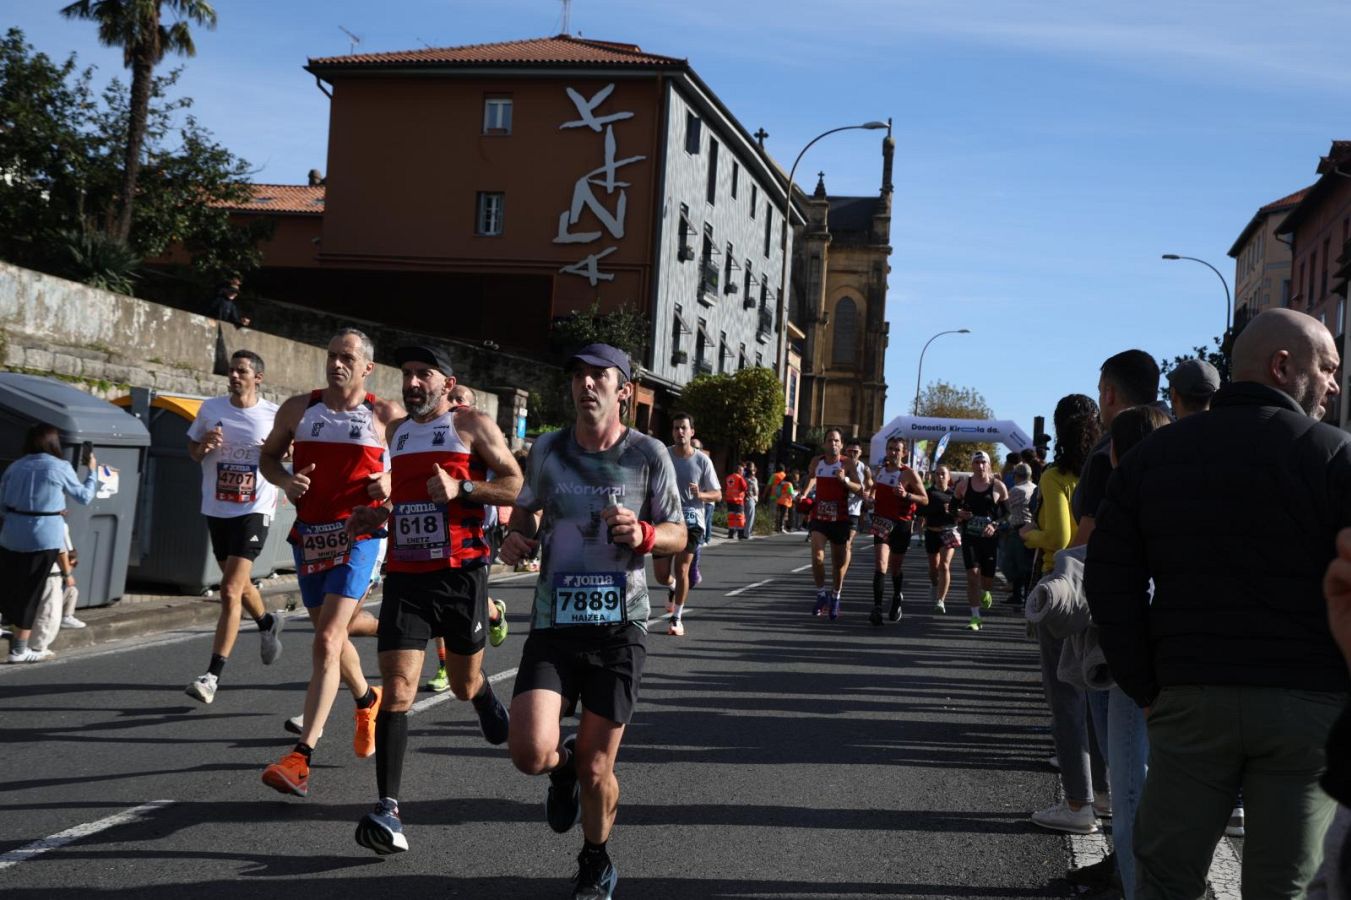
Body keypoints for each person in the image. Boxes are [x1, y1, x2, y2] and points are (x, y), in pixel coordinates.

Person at [1086, 309, 1350, 899]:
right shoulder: (1337, 457)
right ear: (1284, 366)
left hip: (1188, 697)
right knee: (1285, 885)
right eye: (1328, 367)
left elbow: (1109, 579)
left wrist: (1146, 685)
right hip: (1306, 708)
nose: (1335, 382)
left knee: (1164, 880)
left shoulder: (1155, 457)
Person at [499, 343, 685, 900]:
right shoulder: (549, 450)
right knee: (530, 753)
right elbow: (529, 507)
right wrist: (516, 534)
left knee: (598, 767)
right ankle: (562, 769)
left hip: (619, 628)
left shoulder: (649, 455)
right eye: (577, 375)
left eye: (599, 376)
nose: (586, 385)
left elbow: (678, 533)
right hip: (555, 622)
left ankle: (595, 858)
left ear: (623, 388)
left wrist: (647, 535)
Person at [348, 345, 521, 854]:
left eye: (424, 374)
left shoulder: (473, 425)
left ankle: (484, 695)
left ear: (448, 382)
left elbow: (515, 485)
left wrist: (464, 486)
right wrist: (379, 515)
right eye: (407, 375)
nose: (413, 382)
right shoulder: (399, 433)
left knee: (464, 684)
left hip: (461, 575)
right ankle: (389, 809)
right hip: (406, 574)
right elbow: (404, 495)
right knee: (398, 689)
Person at [258, 328, 403, 798]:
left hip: (360, 536)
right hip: (311, 536)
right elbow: (268, 457)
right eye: (331, 356)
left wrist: (389, 481)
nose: (336, 364)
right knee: (332, 636)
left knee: (325, 637)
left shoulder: (385, 415)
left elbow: (417, 467)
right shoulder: (300, 409)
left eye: (346, 357)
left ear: (367, 368)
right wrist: (285, 480)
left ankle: (301, 758)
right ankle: (366, 696)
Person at [1020, 394, 1104, 835]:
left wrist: (1029, 535)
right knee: (1097, 692)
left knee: (1064, 696)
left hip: (1065, 585)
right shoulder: (1110, 462)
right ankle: (1104, 792)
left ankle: (1078, 803)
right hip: (1108, 584)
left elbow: (1060, 534)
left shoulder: (1055, 476)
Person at [183, 350, 284, 703]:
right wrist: (203, 447)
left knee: (228, 590)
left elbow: (292, 453)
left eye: (242, 371)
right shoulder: (211, 409)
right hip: (217, 506)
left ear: (258, 377)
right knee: (238, 587)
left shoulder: (273, 415)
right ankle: (267, 622)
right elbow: (193, 449)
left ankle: (212, 675)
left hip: (255, 509)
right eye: (232, 370)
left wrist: (276, 455)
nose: (234, 376)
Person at [424, 383, 510, 694]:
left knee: (469, 598)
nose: (456, 403)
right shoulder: (432, 431)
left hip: (478, 529)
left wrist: (465, 487)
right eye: (453, 398)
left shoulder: (479, 431)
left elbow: (511, 480)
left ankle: (494, 613)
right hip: (436, 531)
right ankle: (445, 665)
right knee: (438, 599)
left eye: (463, 399)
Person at [0, 424, 98, 662]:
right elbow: (83, 496)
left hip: (12, 531)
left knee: (8, 584)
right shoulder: (60, 466)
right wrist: (92, 471)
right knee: (31, 591)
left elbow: (2, 503)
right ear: (53, 443)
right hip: (44, 536)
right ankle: (20, 649)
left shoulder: (16, 466)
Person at [653, 413, 720, 636]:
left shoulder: (702, 460)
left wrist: (700, 495)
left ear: (692, 432)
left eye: (683, 428)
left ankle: (676, 618)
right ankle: (672, 587)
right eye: (675, 428)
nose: (679, 432)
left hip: (692, 521)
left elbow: (718, 494)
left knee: (682, 568)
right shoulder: (664, 456)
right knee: (661, 575)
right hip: (666, 519)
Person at [802, 429, 867, 620]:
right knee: (818, 557)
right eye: (830, 440)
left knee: (838, 564)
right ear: (824, 443)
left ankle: (836, 596)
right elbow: (813, 477)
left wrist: (844, 480)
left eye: (837, 440)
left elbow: (859, 489)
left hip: (840, 519)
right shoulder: (816, 461)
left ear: (841, 444)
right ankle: (821, 594)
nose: (833, 444)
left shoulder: (847, 463)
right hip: (819, 517)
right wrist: (804, 493)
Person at [867, 437, 927, 626]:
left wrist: (906, 495)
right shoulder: (880, 471)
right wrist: (870, 498)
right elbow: (873, 491)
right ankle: (877, 608)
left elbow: (925, 499)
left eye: (897, 449)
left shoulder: (909, 474)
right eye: (890, 449)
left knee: (895, 567)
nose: (893, 452)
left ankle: (896, 598)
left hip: (901, 525)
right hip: (881, 522)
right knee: (880, 564)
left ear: (904, 453)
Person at [953, 450, 1009, 631]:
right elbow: (952, 508)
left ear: (989, 464)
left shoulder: (998, 486)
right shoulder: (963, 485)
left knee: (987, 578)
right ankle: (975, 617)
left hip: (989, 538)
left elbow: (1007, 514)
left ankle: (986, 591)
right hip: (970, 537)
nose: (980, 466)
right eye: (977, 463)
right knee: (972, 576)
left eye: (983, 462)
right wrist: (959, 513)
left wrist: (995, 525)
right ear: (972, 465)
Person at [26, 519, 77, 655]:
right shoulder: (55, 523)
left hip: (26, 569)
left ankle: (23, 643)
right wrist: (67, 574)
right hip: (50, 571)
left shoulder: (21, 517)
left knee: (29, 608)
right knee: (49, 611)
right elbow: (63, 552)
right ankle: (37, 647)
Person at [918, 465, 959, 613]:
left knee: (945, 565)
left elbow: (961, 515)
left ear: (949, 477)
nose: (940, 476)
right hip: (932, 532)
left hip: (948, 532)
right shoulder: (928, 493)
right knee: (933, 569)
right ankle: (935, 585)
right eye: (938, 474)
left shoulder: (955, 495)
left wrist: (955, 511)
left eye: (943, 474)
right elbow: (920, 511)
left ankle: (941, 600)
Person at [1000, 462, 1035, 607]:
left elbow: (1009, 508)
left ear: (1017, 476)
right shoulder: (1035, 488)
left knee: (1011, 563)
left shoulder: (1016, 490)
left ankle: (1017, 595)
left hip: (1018, 529)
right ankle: (1026, 595)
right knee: (1027, 565)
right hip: (1032, 528)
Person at [723, 463, 748, 540]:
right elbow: (745, 488)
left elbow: (726, 487)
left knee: (731, 517)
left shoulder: (728, 477)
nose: (743, 472)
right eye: (742, 470)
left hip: (729, 500)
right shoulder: (740, 478)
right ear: (739, 470)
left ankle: (731, 534)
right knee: (740, 517)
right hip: (738, 501)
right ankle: (740, 534)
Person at [743, 461, 760, 539]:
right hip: (750, 498)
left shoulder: (742, 477)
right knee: (749, 517)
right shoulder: (753, 479)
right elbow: (755, 491)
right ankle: (747, 534)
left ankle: (741, 532)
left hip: (742, 499)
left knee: (742, 516)